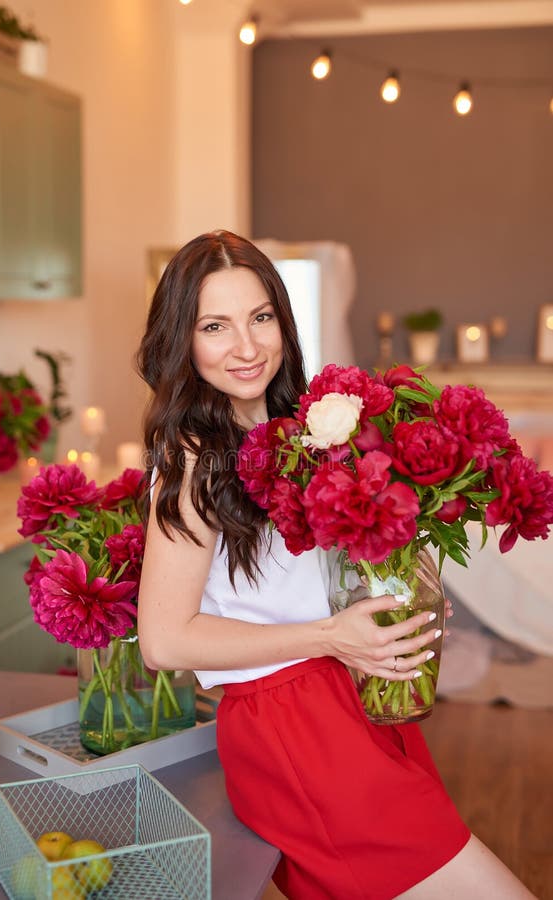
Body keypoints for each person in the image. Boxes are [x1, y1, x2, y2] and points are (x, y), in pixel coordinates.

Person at [136, 230, 535, 900]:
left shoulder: (308, 428)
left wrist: (407, 565)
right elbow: (163, 639)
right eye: (215, 326)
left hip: (350, 702)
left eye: (260, 317)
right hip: (293, 730)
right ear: (183, 338)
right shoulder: (195, 461)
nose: (246, 346)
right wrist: (329, 636)